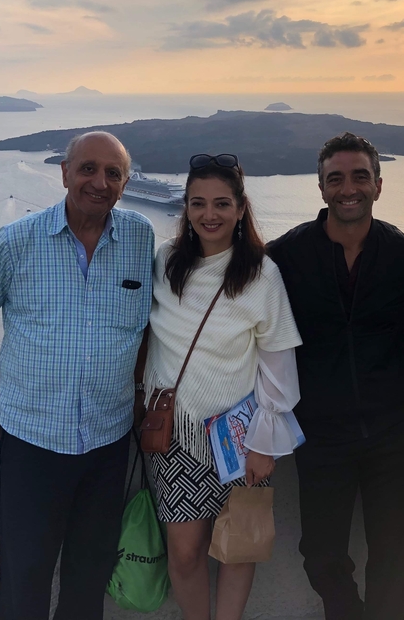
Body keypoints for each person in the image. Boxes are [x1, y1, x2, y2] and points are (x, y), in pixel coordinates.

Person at [0, 131, 154, 620]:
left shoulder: (140, 237)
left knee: (88, 578)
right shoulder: (17, 240)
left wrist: (136, 388)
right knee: (25, 576)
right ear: (65, 173)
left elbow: (147, 324)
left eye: (113, 173)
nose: (99, 181)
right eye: (88, 168)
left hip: (108, 441)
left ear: (125, 183)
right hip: (33, 440)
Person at [267, 132, 404, 620]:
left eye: (360, 176)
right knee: (319, 553)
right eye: (335, 178)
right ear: (321, 188)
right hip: (321, 433)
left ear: (378, 185)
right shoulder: (285, 256)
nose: (348, 188)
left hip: (394, 432)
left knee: (395, 553)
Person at [140, 153, 302, 620]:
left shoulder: (261, 274)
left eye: (221, 204)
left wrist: (264, 442)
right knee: (186, 551)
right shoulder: (166, 262)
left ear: (239, 208)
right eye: (197, 203)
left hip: (241, 435)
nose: (209, 214)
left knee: (239, 545)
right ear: (186, 209)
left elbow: (277, 362)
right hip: (178, 433)